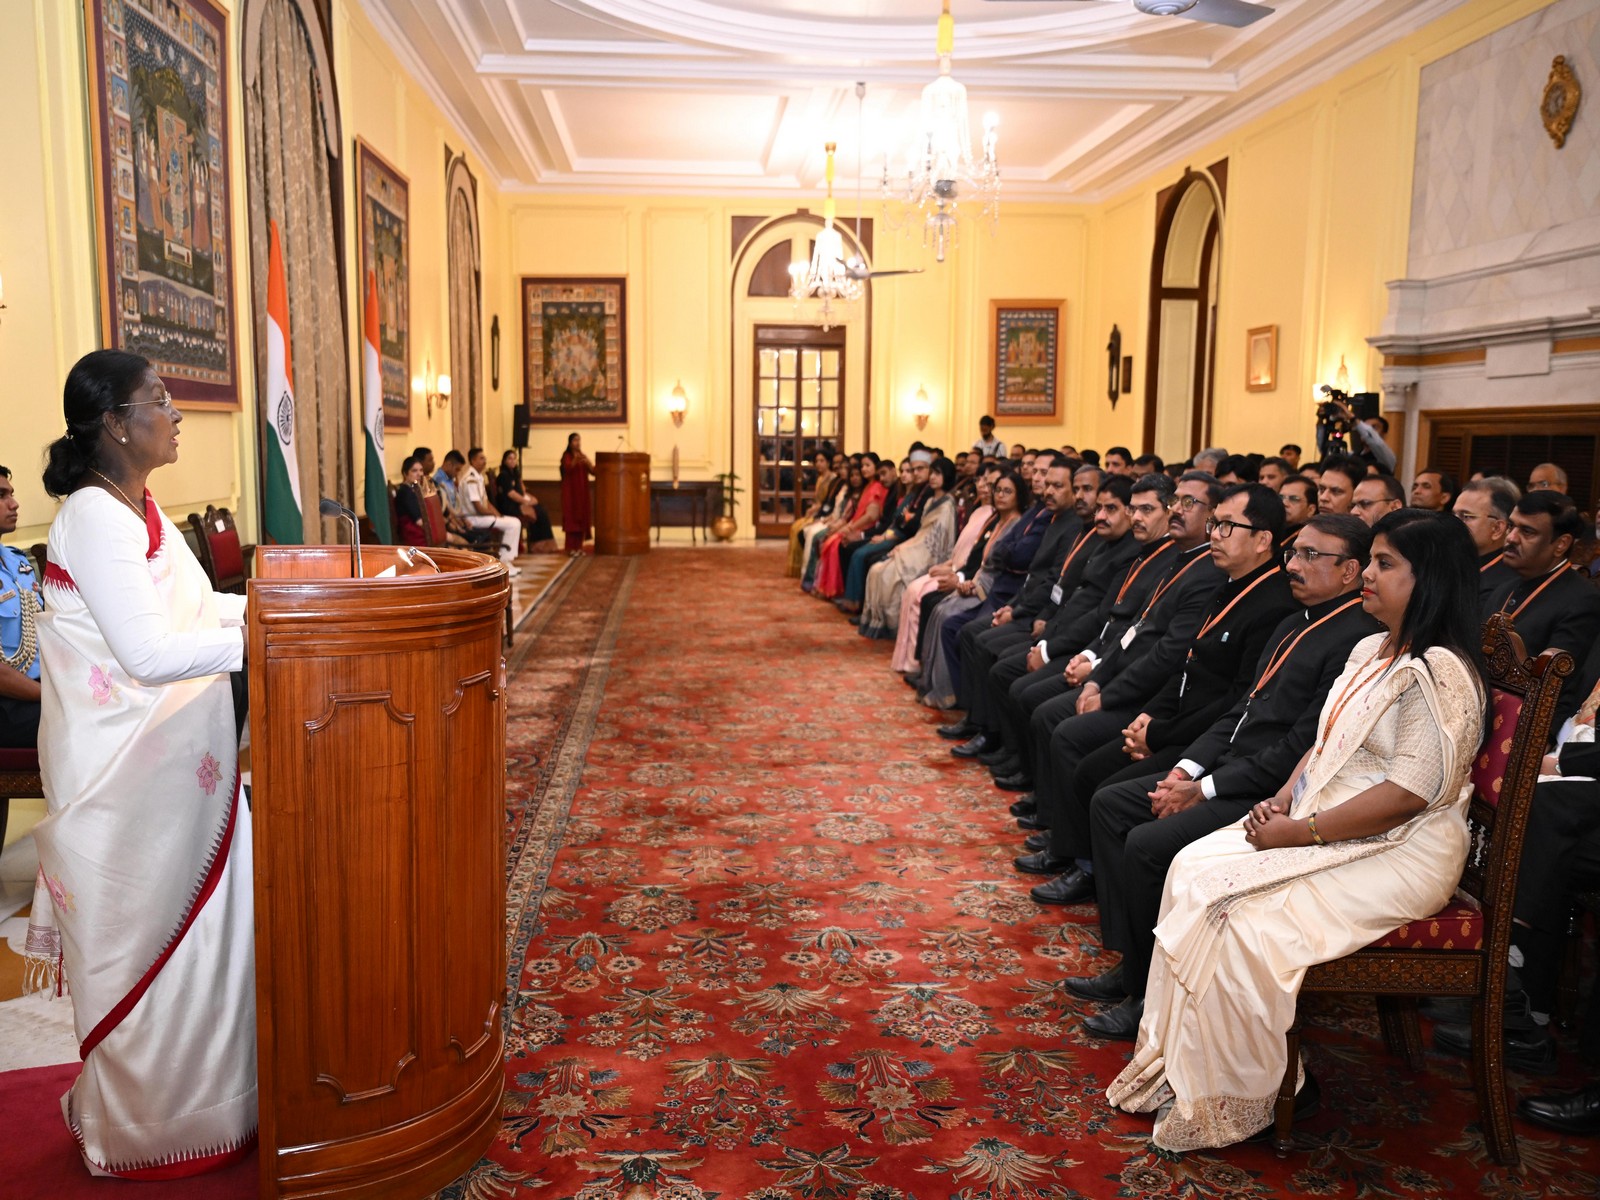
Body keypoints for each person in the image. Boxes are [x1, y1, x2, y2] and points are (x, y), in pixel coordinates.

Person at [1106, 507, 1487, 1151]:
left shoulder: (1439, 671)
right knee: (1192, 869)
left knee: (1245, 918)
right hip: (1330, 818)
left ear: (1432, 581)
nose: (1365, 573)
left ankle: (1265, 1086)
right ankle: (1188, 1065)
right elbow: (1325, 740)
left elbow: (1407, 795)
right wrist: (1283, 801)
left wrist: (1301, 831)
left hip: (1401, 848)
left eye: (1384, 564)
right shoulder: (1374, 647)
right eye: (1370, 560)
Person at [25, 350, 256, 1176]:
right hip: (124, 774)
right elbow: (149, 651)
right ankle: (149, 1126)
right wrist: (264, 640)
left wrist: (287, 604)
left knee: (209, 944)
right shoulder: (93, 517)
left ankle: (213, 1104)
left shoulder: (141, 508)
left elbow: (204, 605)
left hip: (169, 763)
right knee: (156, 947)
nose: (177, 411)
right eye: (161, 399)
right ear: (117, 423)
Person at [1070, 514, 1381, 1038]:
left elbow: (1301, 746)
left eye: (1310, 556)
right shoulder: (1294, 620)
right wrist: (1185, 769)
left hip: (1271, 791)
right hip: (1228, 767)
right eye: (1294, 552)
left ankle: (1149, 999)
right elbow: (1240, 709)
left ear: (1350, 570)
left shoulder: (1356, 640)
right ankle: (1134, 966)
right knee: (1112, 803)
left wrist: (1205, 788)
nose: (1294, 565)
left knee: (1148, 843)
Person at [859, 458, 958, 638]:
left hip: (929, 555)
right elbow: (921, 533)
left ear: (947, 476)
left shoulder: (947, 505)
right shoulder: (929, 502)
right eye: (932, 473)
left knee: (887, 575)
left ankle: (893, 626)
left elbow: (935, 541)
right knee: (875, 570)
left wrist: (905, 549)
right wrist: (904, 546)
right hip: (916, 547)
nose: (933, 477)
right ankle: (877, 621)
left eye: (938, 474)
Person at [0, 465, 43, 748]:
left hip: (39, 686)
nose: (14, 504)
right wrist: (55, 694)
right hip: (7, 704)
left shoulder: (17, 561)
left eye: (11, 494)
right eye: (2, 496)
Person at [1452, 477, 1520, 604]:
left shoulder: (1504, 585)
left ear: (1497, 529)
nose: (1453, 523)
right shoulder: (1450, 561)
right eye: (1454, 515)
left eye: (1466, 516)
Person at [459, 447, 521, 575]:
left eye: (485, 458)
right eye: (481, 458)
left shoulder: (478, 477)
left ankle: (507, 560)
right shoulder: (470, 479)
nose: (484, 461)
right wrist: (493, 515)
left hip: (481, 516)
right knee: (513, 524)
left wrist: (498, 514)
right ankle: (504, 561)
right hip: (473, 518)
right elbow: (478, 507)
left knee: (514, 521)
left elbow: (486, 502)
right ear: (472, 460)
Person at [496, 449, 557, 554]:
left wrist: (531, 498)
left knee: (541, 509)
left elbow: (522, 490)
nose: (512, 461)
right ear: (504, 461)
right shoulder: (503, 475)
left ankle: (543, 544)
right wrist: (526, 502)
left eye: (514, 458)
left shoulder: (515, 474)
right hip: (510, 506)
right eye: (509, 458)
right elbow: (511, 494)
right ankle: (537, 546)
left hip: (519, 503)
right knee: (537, 512)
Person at [560, 433, 594, 554]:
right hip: (571, 494)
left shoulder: (582, 456)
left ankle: (579, 547)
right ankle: (570, 548)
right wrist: (576, 459)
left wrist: (588, 462)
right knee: (572, 520)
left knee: (581, 519)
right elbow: (567, 468)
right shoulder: (566, 456)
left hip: (582, 492)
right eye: (575, 440)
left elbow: (593, 471)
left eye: (579, 440)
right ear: (570, 443)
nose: (578, 443)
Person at [394, 455, 430, 547]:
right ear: (405, 473)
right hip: (413, 534)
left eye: (421, 470)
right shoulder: (405, 491)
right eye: (414, 471)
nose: (419, 474)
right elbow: (419, 521)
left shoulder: (415, 489)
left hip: (421, 530)